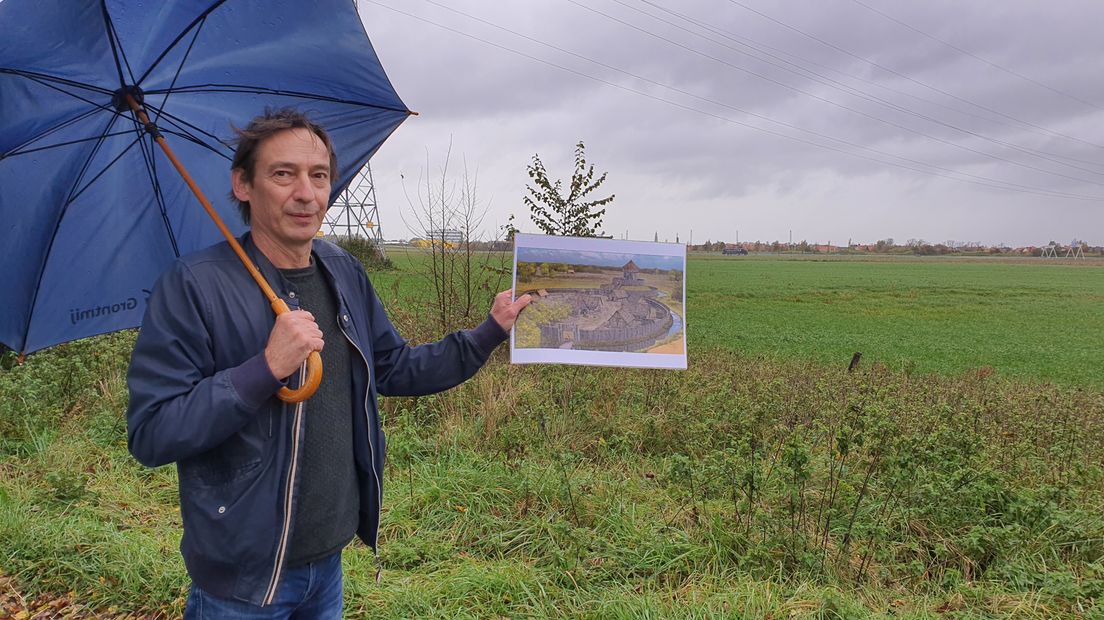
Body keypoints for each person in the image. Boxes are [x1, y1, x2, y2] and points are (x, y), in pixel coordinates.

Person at [126, 108, 530, 618]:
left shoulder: (342, 271)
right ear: (242, 185)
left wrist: (488, 332)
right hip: (242, 583)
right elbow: (153, 432)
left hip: (329, 566)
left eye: (318, 176)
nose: (305, 193)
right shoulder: (194, 286)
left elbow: (394, 367)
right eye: (283, 174)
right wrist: (264, 369)